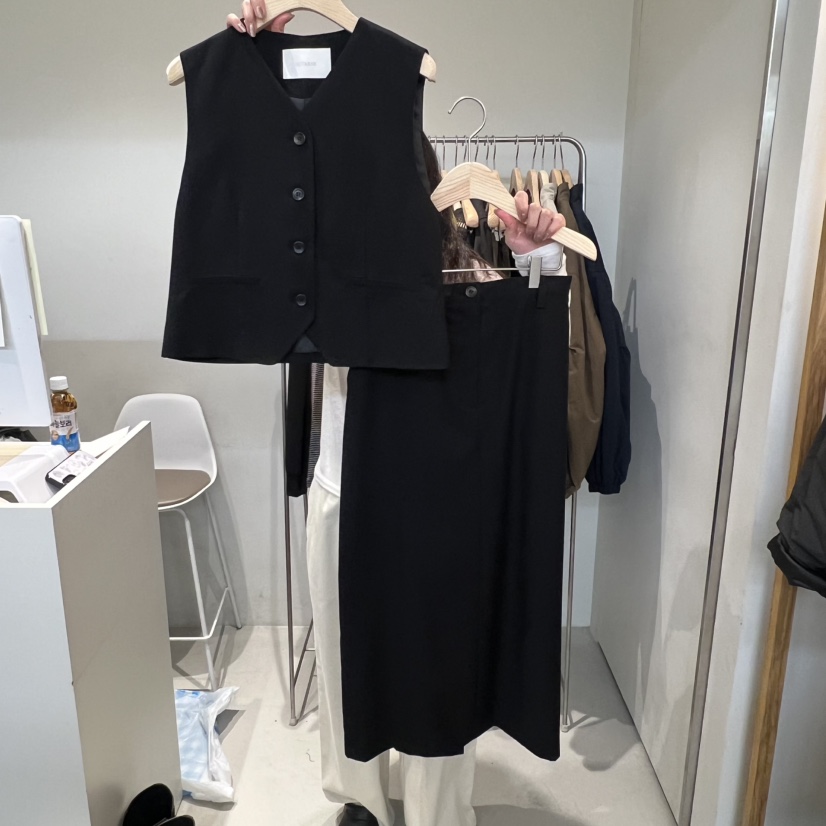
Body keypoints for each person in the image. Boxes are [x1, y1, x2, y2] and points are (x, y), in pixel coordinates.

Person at [226, 8, 568, 824]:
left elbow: (514, 348)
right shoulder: (315, 253)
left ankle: (435, 814)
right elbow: (251, 215)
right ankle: (359, 803)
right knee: (348, 662)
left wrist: (539, 258)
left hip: (431, 503)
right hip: (341, 487)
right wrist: (248, 63)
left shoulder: (453, 263)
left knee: (439, 666)